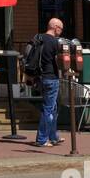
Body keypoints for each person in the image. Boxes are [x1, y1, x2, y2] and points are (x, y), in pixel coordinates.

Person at [34, 16, 64, 148]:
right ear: (55, 27)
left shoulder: (38, 38)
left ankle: (53, 136)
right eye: (61, 29)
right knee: (48, 109)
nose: (61, 31)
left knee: (53, 108)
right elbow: (59, 61)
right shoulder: (54, 42)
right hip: (51, 77)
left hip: (41, 77)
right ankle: (42, 139)